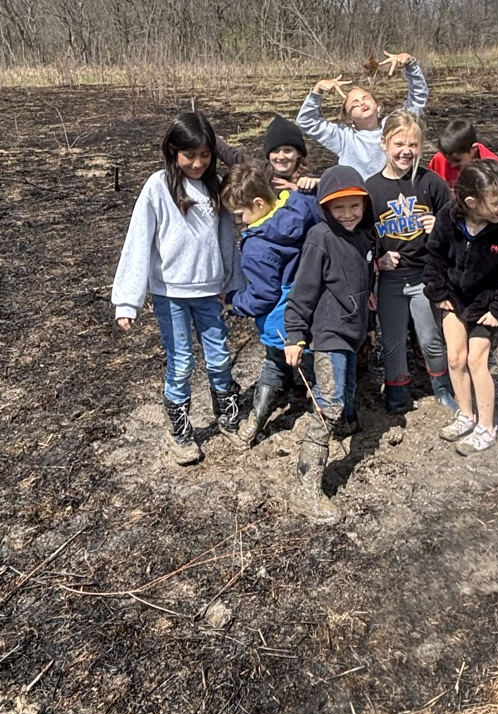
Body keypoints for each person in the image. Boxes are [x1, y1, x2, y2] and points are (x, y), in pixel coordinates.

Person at [112, 111, 246, 464]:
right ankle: (180, 431)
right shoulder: (158, 186)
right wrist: (127, 301)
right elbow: (138, 240)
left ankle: (228, 416)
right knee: (182, 361)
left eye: (205, 155)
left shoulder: (216, 185)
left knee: (219, 356)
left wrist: (233, 284)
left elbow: (227, 239)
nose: (198, 163)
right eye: (190, 155)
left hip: (209, 292)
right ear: (173, 152)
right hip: (170, 294)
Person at [284, 165, 376, 523]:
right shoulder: (319, 238)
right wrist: (295, 335)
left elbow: (365, 288)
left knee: (348, 387)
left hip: (353, 329)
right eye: (339, 208)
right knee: (329, 402)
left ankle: (347, 425)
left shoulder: (365, 237)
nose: (348, 214)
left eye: (354, 206)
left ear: (365, 205)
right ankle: (306, 487)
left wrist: (369, 326)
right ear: (325, 208)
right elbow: (302, 291)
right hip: (327, 332)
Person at [424, 160, 498, 455]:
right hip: (455, 299)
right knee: (456, 358)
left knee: (476, 361)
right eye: (496, 202)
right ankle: (466, 414)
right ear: (471, 202)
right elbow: (435, 256)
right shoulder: (447, 217)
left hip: (488, 305)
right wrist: (438, 291)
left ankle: (486, 427)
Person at [221, 162, 322, 443]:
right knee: (316, 363)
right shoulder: (302, 205)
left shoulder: (257, 245)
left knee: (275, 364)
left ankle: (255, 423)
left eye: (239, 215)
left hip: (280, 318)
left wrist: (232, 302)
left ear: (258, 203)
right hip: (312, 306)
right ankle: (330, 414)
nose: (239, 222)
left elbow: (263, 295)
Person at [365, 109, 455, 413]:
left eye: (413, 145)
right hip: (391, 280)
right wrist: (378, 262)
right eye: (399, 144)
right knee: (392, 341)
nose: (406, 151)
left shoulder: (432, 183)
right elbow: (364, 239)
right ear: (384, 143)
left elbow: (456, 226)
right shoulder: (371, 189)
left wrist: (440, 227)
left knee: (430, 338)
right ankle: (397, 390)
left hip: (425, 276)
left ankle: (442, 387)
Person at [295, 51, 428, 180]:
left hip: (391, 190)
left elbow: (417, 99)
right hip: (356, 193)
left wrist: (410, 65)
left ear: (378, 106)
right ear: (348, 117)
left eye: (366, 98)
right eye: (354, 103)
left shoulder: (393, 126)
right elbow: (306, 121)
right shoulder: (343, 137)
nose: (361, 103)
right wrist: (317, 90)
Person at [215, 115, 319, 193]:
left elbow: (328, 186)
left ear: (299, 153)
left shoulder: (307, 180)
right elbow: (228, 153)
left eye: (287, 151)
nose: (281, 157)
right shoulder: (261, 170)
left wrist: (306, 187)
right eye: (275, 151)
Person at [428, 118, 498, 188]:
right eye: (448, 161)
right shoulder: (439, 159)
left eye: (457, 160)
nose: (452, 165)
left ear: (474, 149)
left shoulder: (494, 169)